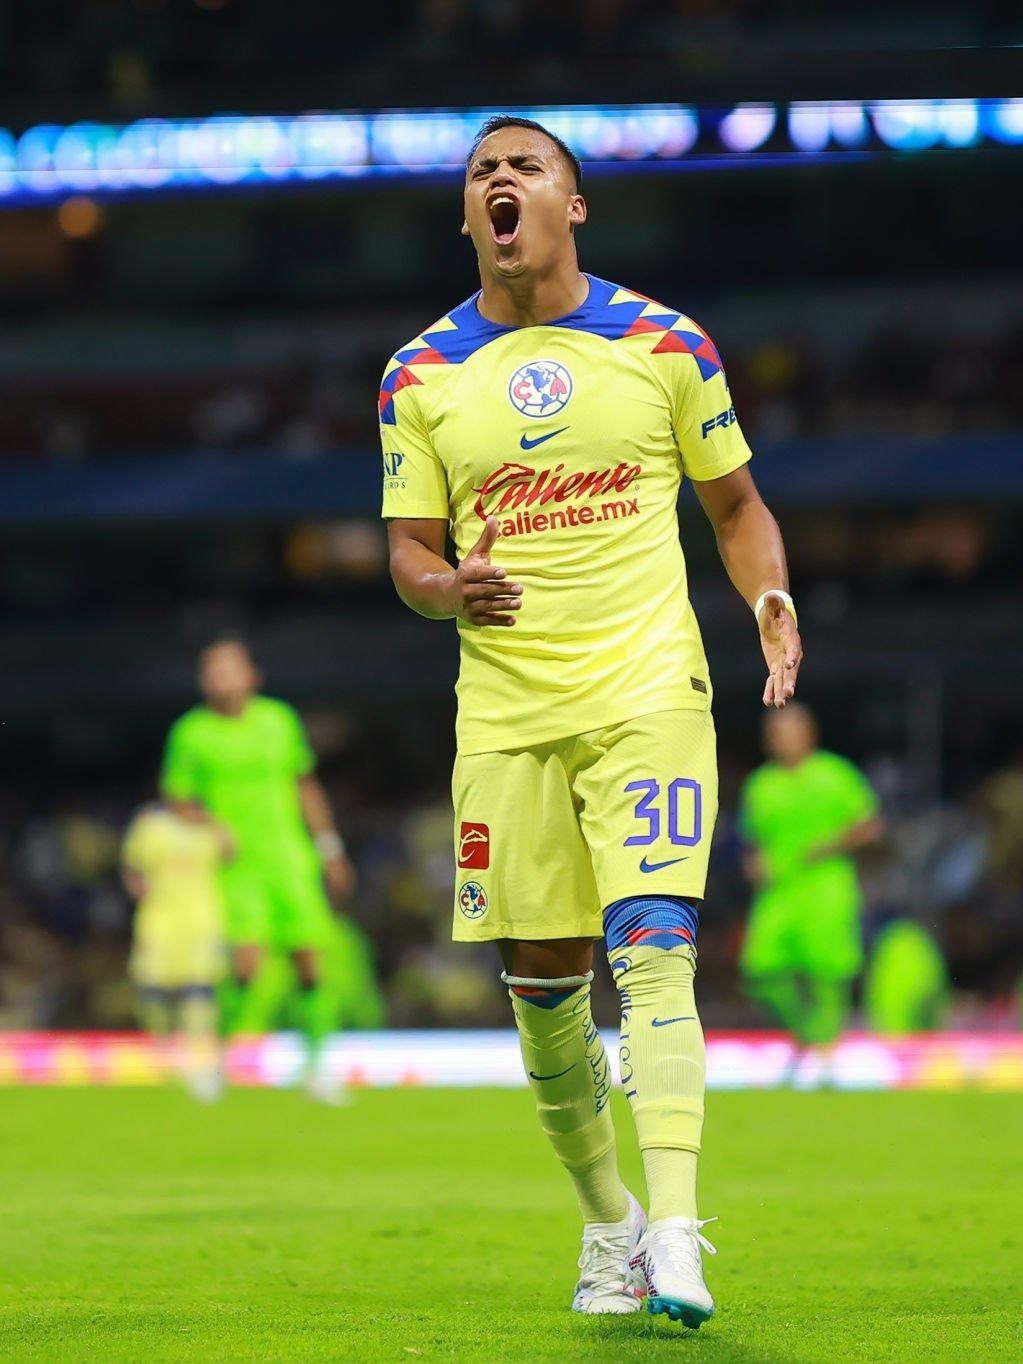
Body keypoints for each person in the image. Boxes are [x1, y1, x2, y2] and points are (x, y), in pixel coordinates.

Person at [381, 115, 802, 1326]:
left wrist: (768, 595)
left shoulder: (665, 341)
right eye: (482, 172)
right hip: (507, 713)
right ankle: (609, 1222)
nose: (500, 179)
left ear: (574, 205)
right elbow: (408, 550)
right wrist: (445, 586)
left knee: (655, 944)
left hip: (647, 689)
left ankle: (676, 1226)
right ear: (469, 217)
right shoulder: (418, 373)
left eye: (525, 165)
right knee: (544, 986)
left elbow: (736, 507)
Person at [160, 638, 358, 1103]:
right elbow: (178, 798)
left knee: (309, 960)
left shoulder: (278, 720)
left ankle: (316, 1067)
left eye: (230, 669)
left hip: (291, 859)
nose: (222, 678)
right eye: (214, 670)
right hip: (239, 866)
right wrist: (213, 827)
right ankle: (216, 1059)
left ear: (252, 675)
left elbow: (304, 783)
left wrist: (329, 847)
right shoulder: (192, 733)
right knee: (246, 962)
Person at [738, 703, 883, 1066]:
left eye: (789, 732)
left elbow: (871, 826)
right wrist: (753, 864)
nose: (782, 740)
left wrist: (829, 846)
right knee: (761, 972)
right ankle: (806, 1033)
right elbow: (750, 840)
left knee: (827, 973)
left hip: (826, 886)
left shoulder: (835, 774)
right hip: (778, 891)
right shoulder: (761, 785)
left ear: (809, 734)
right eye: (775, 734)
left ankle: (825, 1050)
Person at [122, 800, 233, 1101]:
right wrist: (138, 889)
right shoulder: (151, 825)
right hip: (159, 919)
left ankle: (197, 1063)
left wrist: (214, 822)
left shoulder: (212, 826)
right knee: (151, 991)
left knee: (199, 990)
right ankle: (164, 1051)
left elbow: (233, 855)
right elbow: (131, 868)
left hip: (203, 919)